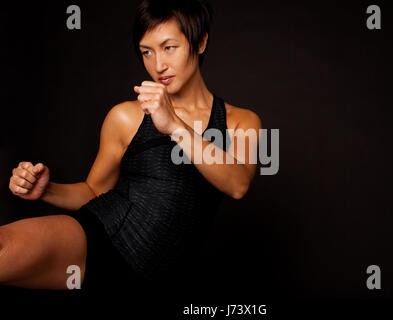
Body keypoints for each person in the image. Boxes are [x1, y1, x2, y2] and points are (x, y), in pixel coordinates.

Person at [1, 0, 261, 297]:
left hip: (164, 274)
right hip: (99, 240)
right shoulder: (125, 116)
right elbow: (94, 190)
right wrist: (46, 191)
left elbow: (238, 183)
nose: (158, 65)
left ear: (200, 42)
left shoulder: (241, 121)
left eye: (169, 47)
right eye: (146, 52)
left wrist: (175, 126)